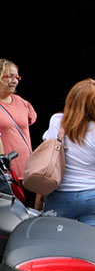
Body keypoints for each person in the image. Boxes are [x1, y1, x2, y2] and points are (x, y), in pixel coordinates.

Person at [41, 79, 95, 228]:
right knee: (93, 244)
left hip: (61, 193)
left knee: (55, 242)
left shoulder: (57, 121)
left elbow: (47, 150)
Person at [0, 59, 36, 188]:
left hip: (28, 172)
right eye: (9, 76)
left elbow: (31, 120)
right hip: (6, 175)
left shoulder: (22, 103)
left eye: (16, 77)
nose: (14, 81)